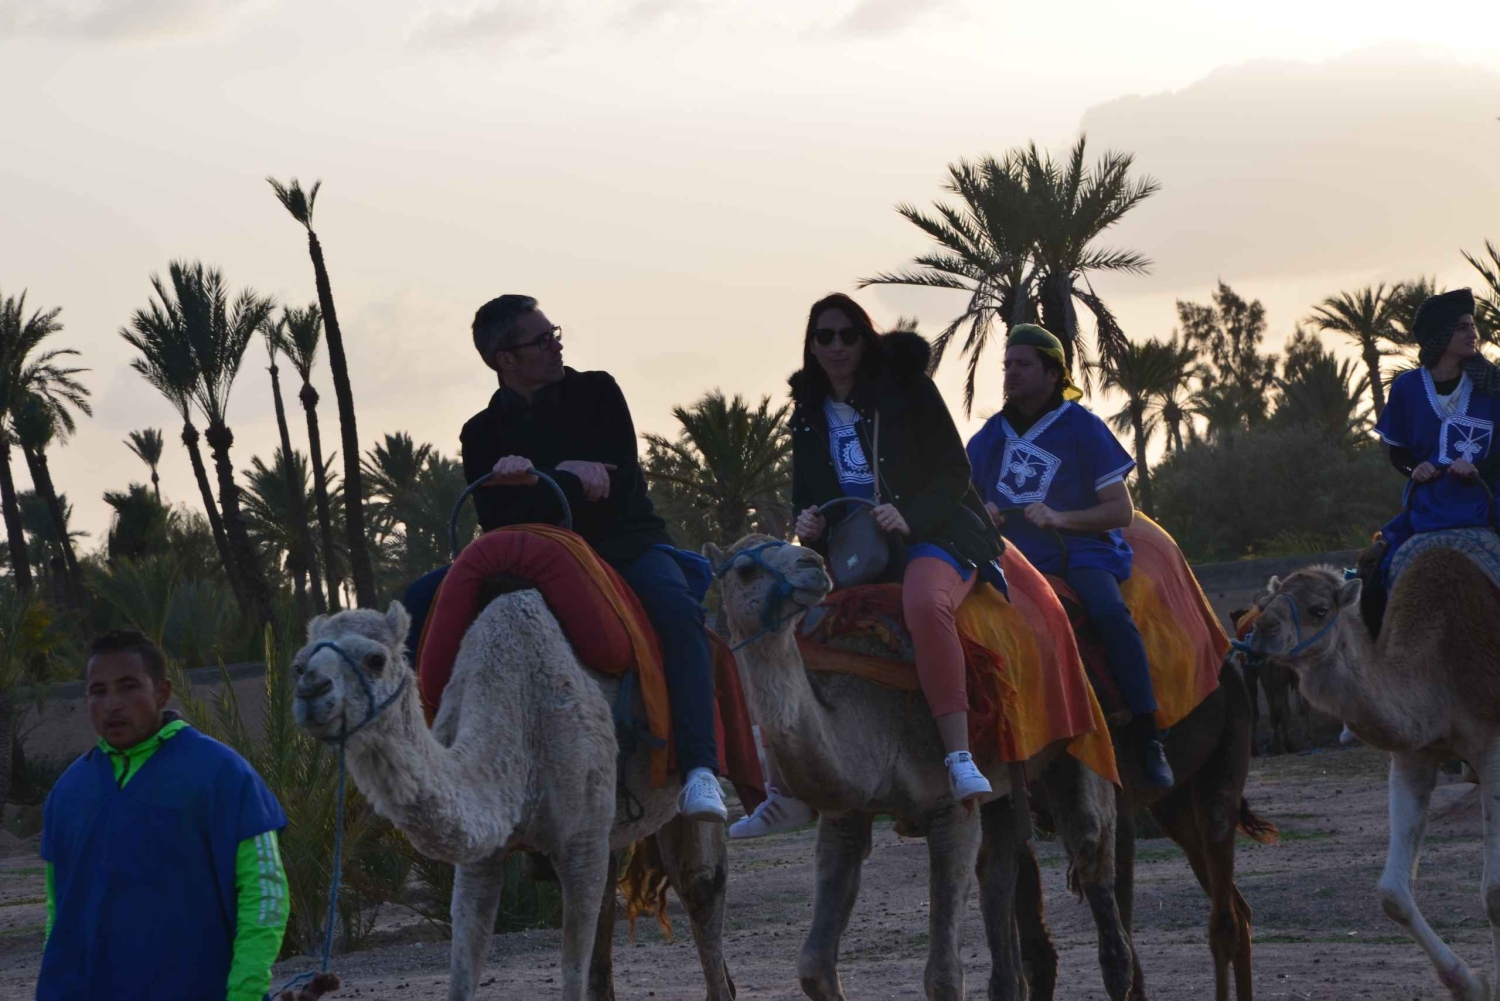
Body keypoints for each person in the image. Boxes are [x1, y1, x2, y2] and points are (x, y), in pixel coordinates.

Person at [730, 293, 1003, 838]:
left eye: (847, 335)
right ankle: (785, 791)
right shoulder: (808, 411)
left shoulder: (906, 390)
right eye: (824, 336)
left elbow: (954, 471)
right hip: (857, 549)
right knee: (788, 623)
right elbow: (808, 494)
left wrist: (911, 516)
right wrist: (810, 522)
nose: (836, 346)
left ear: (865, 339)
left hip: (936, 535)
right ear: (811, 346)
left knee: (925, 605)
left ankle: (958, 758)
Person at [457, 294, 726, 823]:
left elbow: (619, 487)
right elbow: (496, 519)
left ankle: (700, 769)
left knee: (676, 611)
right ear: (504, 359)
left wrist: (534, 481)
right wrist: (566, 476)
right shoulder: (480, 433)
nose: (556, 345)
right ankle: (451, 773)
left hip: (625, 546)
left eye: (553, 333)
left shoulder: (598, 391)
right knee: (424, 611)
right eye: (541, 340)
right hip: (534, 563)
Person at [967, 324, 1173, 789]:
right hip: (1013, 559)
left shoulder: (1083, 428)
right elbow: (964, 502)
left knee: (1109, 612)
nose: (1011, 373)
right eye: (1007, 364)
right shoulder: (988, 438)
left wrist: (1060, 518)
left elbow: (1120, 511)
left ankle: (1147, 734)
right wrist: (984, 512)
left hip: (1082, 552)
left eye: (1023, 364)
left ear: (1053, 373)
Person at [38, 631, 289, 1001]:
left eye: (128, 687)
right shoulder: (68, 793)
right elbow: (59, 910)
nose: (112, 704)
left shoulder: (222, 774)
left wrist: (245, 990)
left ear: (162, 692)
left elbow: (265, 893)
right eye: (98, 691)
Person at [1364, 287, 1500, 634]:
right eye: (1462, 327)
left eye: (1473, 326)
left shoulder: (1492, 385)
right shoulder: (1407, 387)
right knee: (1374, 582)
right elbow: (1399, 452)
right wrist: (1416, 468)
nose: (1473, 334)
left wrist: (1478, 468)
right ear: (1441, 335)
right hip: (1427, 507)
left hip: (1485, 504)